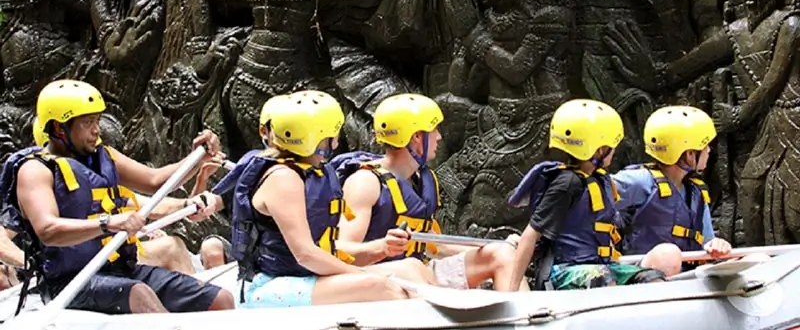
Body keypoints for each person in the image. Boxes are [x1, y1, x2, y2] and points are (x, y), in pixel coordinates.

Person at [5, 79, 235, 314]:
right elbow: (48, 230)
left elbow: (155, 181)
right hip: (70, 282)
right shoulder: (35, 171)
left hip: (121, 270)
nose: (96, 130)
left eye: (97, 121)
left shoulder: (104, 156)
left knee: (220, 299)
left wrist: (198, 159)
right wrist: (109, 223)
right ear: (58, 128)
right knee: (139, 294)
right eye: (87, 123)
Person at [232, 90, 429, 308]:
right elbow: (306, 255)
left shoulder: (309, 171)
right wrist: (359, 274)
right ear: (318, 136)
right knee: (380, 287)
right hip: (270, 286)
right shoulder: (284, 178)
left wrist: (381, 248)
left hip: (304, 276)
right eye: (332, 134)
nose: (336, 140)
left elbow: (328, 248)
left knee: (410, 268)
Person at [334, 93, 521, 291]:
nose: (439, 137)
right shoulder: (365, 182)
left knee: (502, 255)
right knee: (411, 269)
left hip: (421, 273)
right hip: (379, 278)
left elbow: (436, 246)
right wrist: (382, 247)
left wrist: (496, 245)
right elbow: (342, 251)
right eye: (433, 130)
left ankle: (522, 318)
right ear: (416, 136)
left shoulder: (424, 179)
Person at [507, 99, 666, 291]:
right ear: (599, 149)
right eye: (611, 145)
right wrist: (512, 291)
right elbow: (531, 234)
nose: (614, 150)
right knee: (602, 278)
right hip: (564, 270)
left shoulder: (600, 180)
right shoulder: (566, 183)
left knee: (652, 278)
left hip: (602, 264)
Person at [612, 106, 767, 276]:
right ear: (689, 154)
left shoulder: (696, 191)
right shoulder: (640, 181)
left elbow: (707, 242)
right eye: (705, 145)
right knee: (668, 256)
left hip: (688, 272)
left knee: (760, 259)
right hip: (645, 275)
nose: (709, 150)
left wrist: (716, 244)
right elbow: (590, 202)